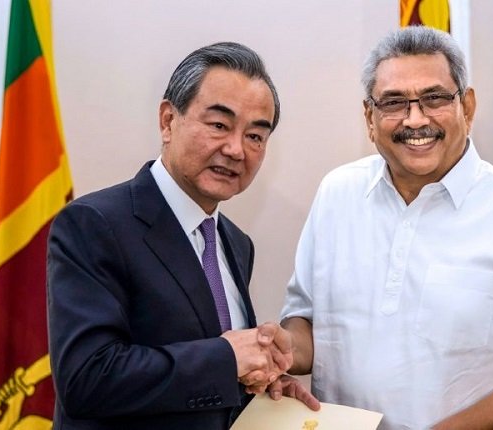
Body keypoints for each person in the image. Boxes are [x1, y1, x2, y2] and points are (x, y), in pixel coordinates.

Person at [277, 26, 493, 429]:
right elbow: (304, 320)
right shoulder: (337, 193)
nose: (416, 119)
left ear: (468, 107)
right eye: (393, 102)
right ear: (369, 117)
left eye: (435, 98)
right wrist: (278, 349)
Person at [47, 41, 316, 430]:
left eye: (255, 136)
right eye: (219, 125)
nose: (236, 149)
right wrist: (228, 361)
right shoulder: (94, 223)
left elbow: (202, 375)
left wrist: (258, 387)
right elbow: (86, 379)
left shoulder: (236, 243)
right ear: (168, 120)